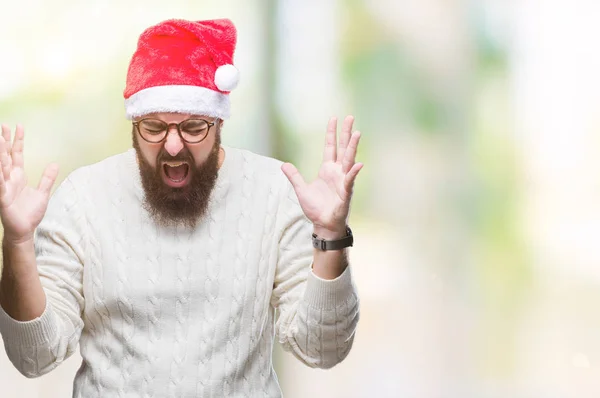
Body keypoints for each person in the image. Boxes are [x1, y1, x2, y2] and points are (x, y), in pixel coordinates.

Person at [0, 18, 362, 397]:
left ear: (219, 121)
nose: (173, 146)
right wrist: (18, 241)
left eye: (192, 127)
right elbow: (34, 357)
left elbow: (322, 349)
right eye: (154, 127)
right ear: (134, 124)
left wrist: (330, 235)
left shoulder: (273, 191)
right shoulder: (83, 197)